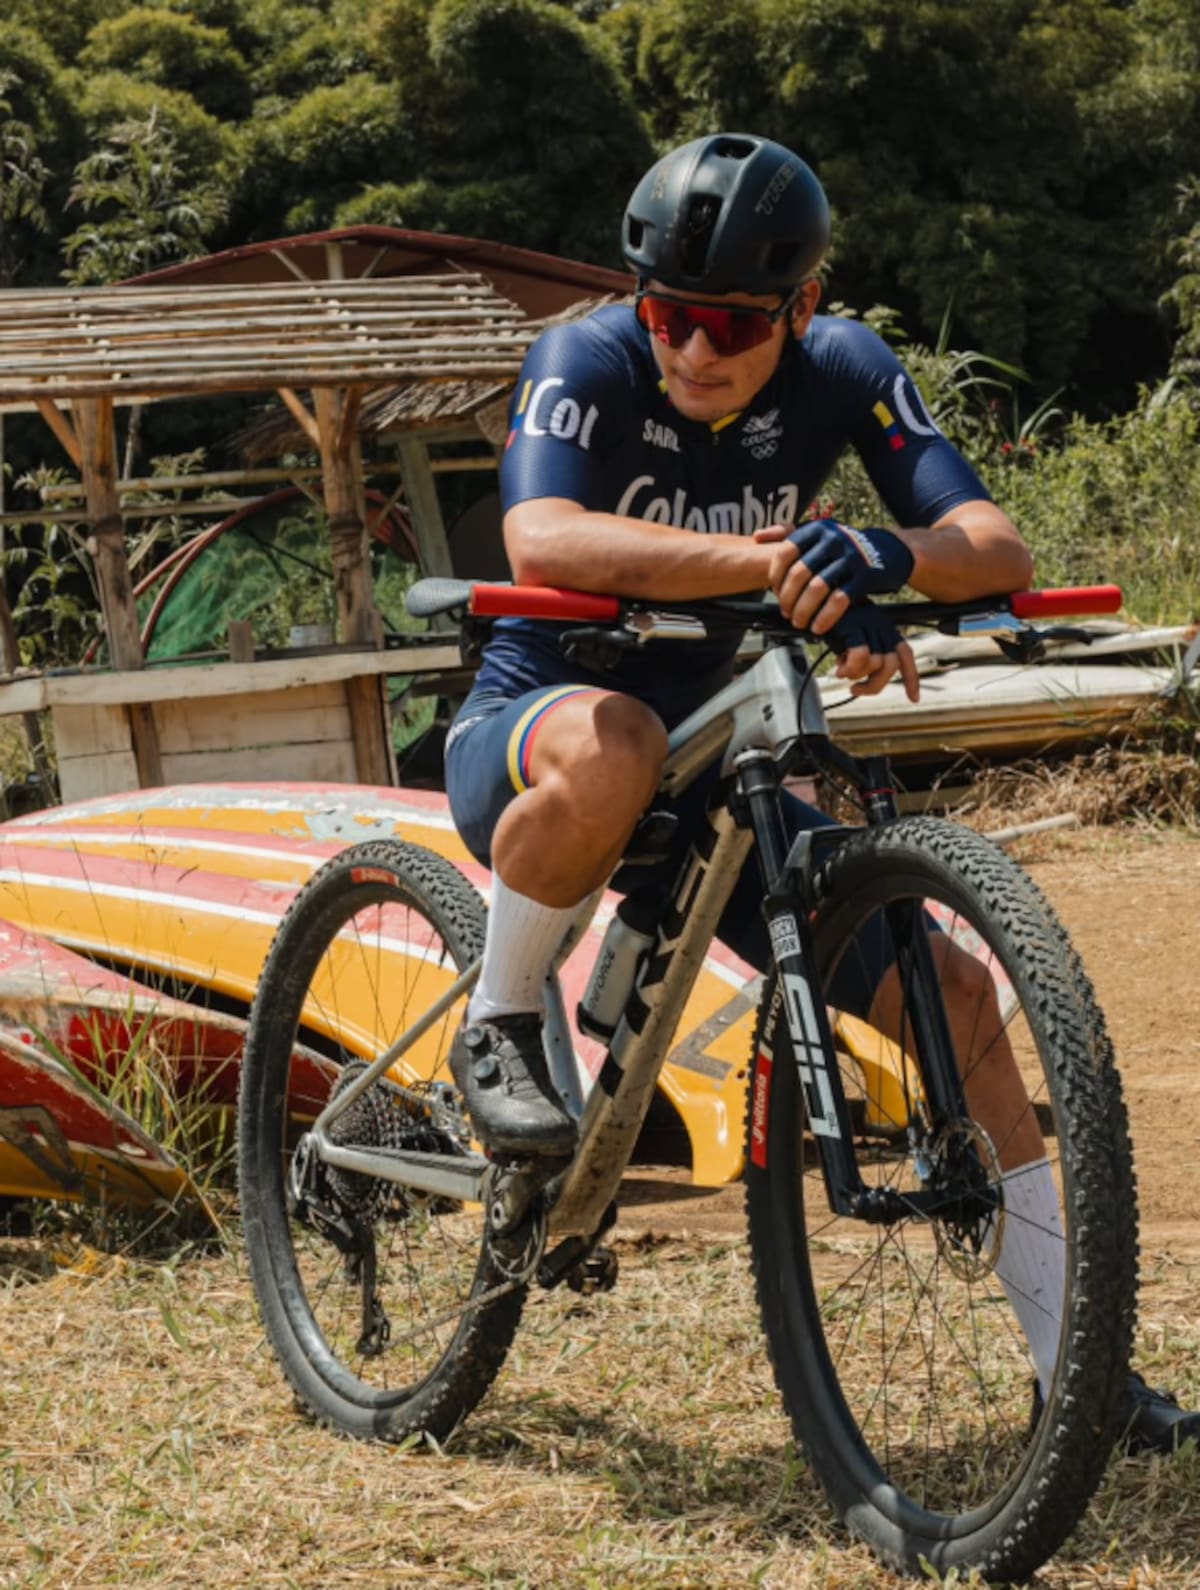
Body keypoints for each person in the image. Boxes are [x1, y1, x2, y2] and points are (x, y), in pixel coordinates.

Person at [443, 131, 1198, 1454]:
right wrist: (777, 560)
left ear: (799, 307)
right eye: (668, 313)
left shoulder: (847, 366)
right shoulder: (587, 354)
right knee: (616, 738)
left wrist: (880, 553)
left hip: (719, 756)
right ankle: (503, 1018)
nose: (688, 351)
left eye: (728, 325)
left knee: (959, 1000)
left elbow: (991, 544)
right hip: (542, 724)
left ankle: (1077, 1379)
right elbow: (542, 535)